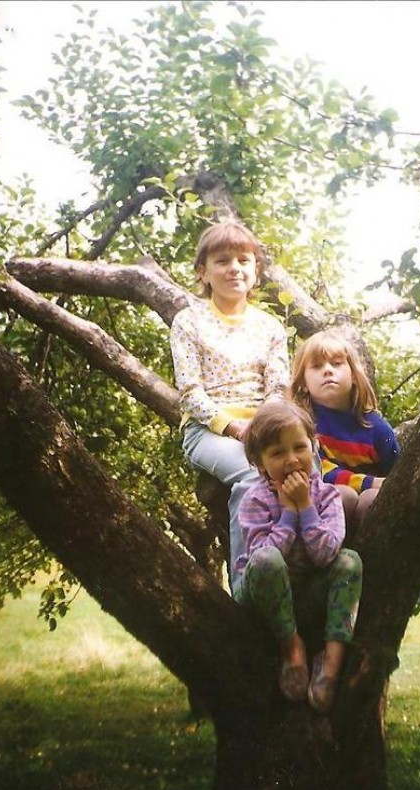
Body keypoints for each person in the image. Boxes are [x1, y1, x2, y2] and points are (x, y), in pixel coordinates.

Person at [170, 221, 289, 591]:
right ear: (203, 271)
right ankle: (246, 583)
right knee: (254, 475)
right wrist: (235, 428)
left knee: (310, 469)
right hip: (209, 429)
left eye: (243, 260)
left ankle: (303, 564)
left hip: (265, 425)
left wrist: (264, 427)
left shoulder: (270, 327)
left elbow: (279, 386)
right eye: (222, 260)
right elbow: (190, 391)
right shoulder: (188, 322)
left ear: (256, 271)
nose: (234, 268)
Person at [290, 328, 420, 606]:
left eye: (336, 364)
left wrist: (380, 488)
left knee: (372, 500)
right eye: (317, 366)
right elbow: (320, 472)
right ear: (302, 380)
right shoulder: (303, 422)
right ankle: (319, 566)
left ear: (353, 373)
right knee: (342, 494)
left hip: (368, 509)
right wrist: (369, 483)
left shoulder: (375, 427)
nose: (328, 371)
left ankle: (392, 572)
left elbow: (399, 474)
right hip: (318, 506)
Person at [234, 399, 363, 713]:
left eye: (299, 447)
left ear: (314, 447)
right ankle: (292, 648)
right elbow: (266, 557)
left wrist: (305, 506)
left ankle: (331, 662)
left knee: (350, 560)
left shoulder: (327, 496)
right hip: (263, 595)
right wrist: (288, 514)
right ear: (260, 463)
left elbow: (324, 555)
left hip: (307, 591)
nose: (292, 460)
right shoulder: (254, 500)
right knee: (267, 561)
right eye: (278, 453)